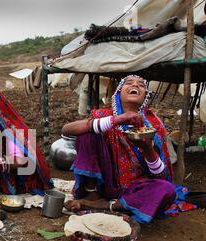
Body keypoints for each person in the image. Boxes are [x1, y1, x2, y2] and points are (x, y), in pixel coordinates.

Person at [62, 75, 195, 223]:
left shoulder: (154, 125)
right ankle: (92, 195)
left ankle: (107, 206)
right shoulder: (103, 116)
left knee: (167, 190)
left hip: (135, 188)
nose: (135, 85)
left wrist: (148, 150)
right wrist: (118, 119)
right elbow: (67, 129)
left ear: (146, 96)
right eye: (129, 83)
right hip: (104, 183)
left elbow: (162, 177)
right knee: (87, 133)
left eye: (141, 85)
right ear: (118, 93)